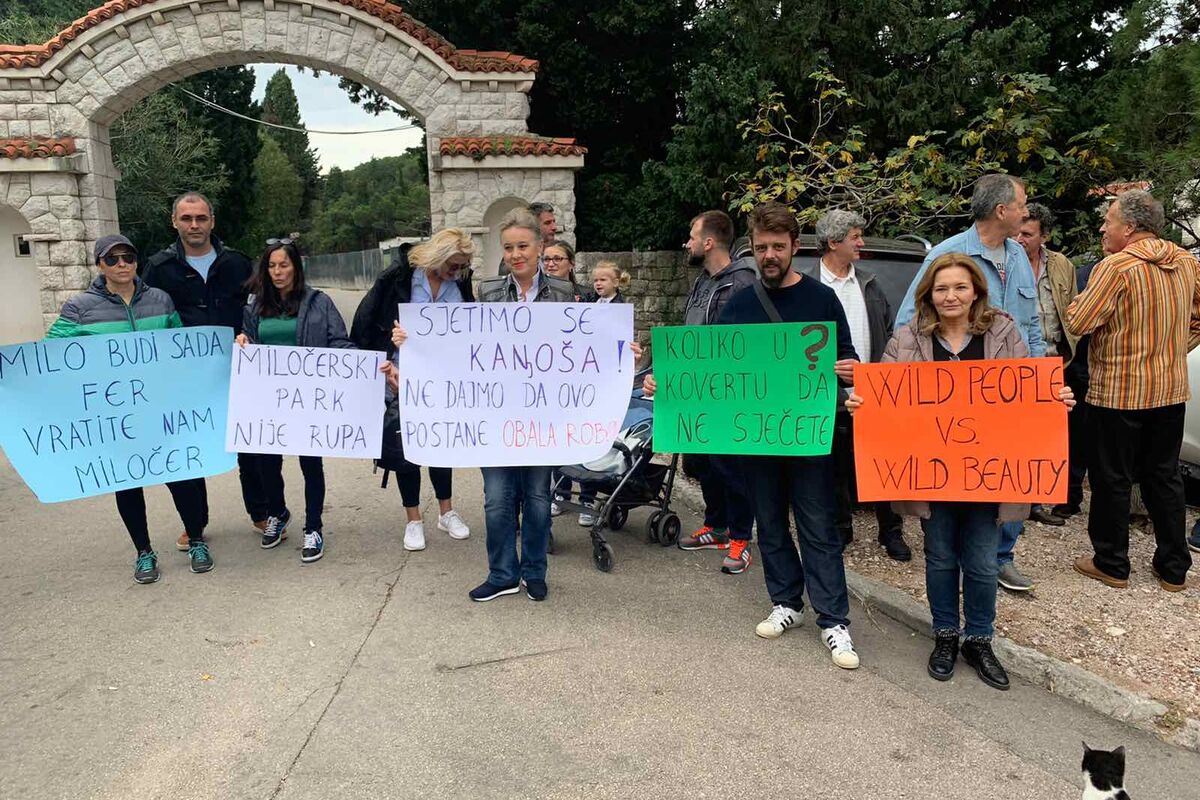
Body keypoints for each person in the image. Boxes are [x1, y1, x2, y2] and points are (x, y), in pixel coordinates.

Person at [646, 201, 862, 668]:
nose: (769, 256)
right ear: (752, 247)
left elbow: (848, 359)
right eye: (762, 247)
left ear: (795, 247)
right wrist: (667, 382)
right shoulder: (741, 304)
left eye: (778, 247)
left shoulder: (822, 300)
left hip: (808, 438)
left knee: (818, 528)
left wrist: (850, 372)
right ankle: (786, 603)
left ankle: (833, 620)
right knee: (771, 524)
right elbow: (709, 366)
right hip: (758, 439)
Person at [846, 253, 1076, 690]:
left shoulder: (1004, 333)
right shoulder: (907, 339)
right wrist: (863, 404)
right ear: (929, 295)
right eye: (942, 288)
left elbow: (1027, 392)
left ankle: (980, 639)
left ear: (975, 293)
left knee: (984, 563)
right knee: (939, 558)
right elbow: (885, 396)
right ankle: (946, 635)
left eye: (960, 287)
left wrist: (1054, 400)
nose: (950, 296)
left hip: (989, 474)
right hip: (930, 475)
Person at [896, 173, 1044, 594]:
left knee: (1007, 478)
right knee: (955, 504)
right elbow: (908, 323)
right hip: (951, 415)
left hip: (1008, 405)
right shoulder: (948, 254)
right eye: (1022, 205)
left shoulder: (1018, 256)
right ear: (1001, 210)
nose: (1025, 213)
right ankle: (968, 564)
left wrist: (1040, 385)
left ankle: (1001, 558)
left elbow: (1031, 327)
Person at [46, 235, 213, 582]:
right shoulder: (80, 308)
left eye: (128, 257)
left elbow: (179, 345)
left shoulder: (160, 300)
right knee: (128, 484)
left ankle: (196, 540)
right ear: (99, 264)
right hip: (116, 416)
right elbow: (47, 354)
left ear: (136, 261)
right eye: (112, 258)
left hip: (161, 409)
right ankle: (144, 552)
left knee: (182, 477)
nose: (122, 264)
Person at [1065, 189, 1199, 592]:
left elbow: (1080, 322)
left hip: (1119, 391)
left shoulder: (1116, 267)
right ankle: (1174, 568)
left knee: (1112, 477)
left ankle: (1111, 563)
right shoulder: (1187, 262)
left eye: (1108, 221)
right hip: (1170, 389)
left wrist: (1075, 305)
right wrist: (1174, 349)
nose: (1103, 228)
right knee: (1165, 476)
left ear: (1130, 227)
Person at [141, 192, 267, 548]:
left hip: (238, 369)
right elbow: (146, 315)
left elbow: (261, 307)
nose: (194, 225)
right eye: (186, 218)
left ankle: (261, 513)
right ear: (174, 222)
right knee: (189, 446)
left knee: (251, 444)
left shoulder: (238, 263)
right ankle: (194, 524)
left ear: (212, 221)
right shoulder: (158, 268)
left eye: (200, 218)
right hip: (184, 377)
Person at [472, 209, 576, 602]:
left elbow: (584, 348)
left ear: (540, 246)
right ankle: (502, 574)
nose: (516, 254)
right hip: (498, 413)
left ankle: (534, 571)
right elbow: (464, 346)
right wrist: (412, 341)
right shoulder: (487, 292)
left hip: (543, 415)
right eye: (508, 247)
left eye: (523, 246)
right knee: (497, 499)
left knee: (536, 498)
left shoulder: (564, 293)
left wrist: (622, 352)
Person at [350, 229, 475, 550]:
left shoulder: (460, 281)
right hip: (400, 376)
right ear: (438, 257)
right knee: (406, 448)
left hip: (443, 378)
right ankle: (413, 519)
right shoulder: (397, 277)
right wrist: (385, 354)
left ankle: (446, 512)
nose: (458, 271)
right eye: (454, 265)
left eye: (463, 266)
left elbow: (470, 327)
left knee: (440, 445)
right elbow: (366, 322)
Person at [235, 240, 354, 563]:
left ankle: (313, 527)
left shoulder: (319, 303)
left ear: (296, 268)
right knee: (267, 462)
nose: (277, 272)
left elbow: (338, 342)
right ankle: (278, 512)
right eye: (271, 266)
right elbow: (249, 340)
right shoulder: (255, 305)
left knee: (310, 463)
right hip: (268, 399)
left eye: (283, 265)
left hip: (307, 399)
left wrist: (365, 364)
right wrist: (244, 341)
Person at [804, 209, 909, 561]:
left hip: (873, 392)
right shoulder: (808, 286)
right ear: (834, 242)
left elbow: (889, 331)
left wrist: (884, 374)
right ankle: (840, 529)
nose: (861, 242)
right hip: (828, 396)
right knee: (834, 468)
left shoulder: (870, 283)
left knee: (883, 465)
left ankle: (891, 531)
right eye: (855, 237)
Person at [676, 210, 759, 575]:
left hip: (729, 394)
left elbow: (750, 342)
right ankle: (717, 525)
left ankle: (741, 537)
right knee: (703, 463)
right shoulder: (703, 282)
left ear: (709, 242)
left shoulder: (742, 282)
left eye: (692, 237)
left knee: (731, 466)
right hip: (698, 391)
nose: (687, 244)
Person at [1015, 203, 1081, 526]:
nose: (1020, 238)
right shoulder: (1007, 261)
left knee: (1046, 436)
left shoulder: (1061, 265)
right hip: (1017, 362)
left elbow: (1073, 308)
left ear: (1045, 236)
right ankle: (1011, 504)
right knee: (1016, 435)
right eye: (1018, 232)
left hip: (1054, 360)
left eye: (1028, 234)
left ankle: (1035, 501)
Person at [497, 202, 557, 276]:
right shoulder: (511, 266)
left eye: (554, 222)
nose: (554, 227)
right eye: (547, 223)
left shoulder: (560, 252)